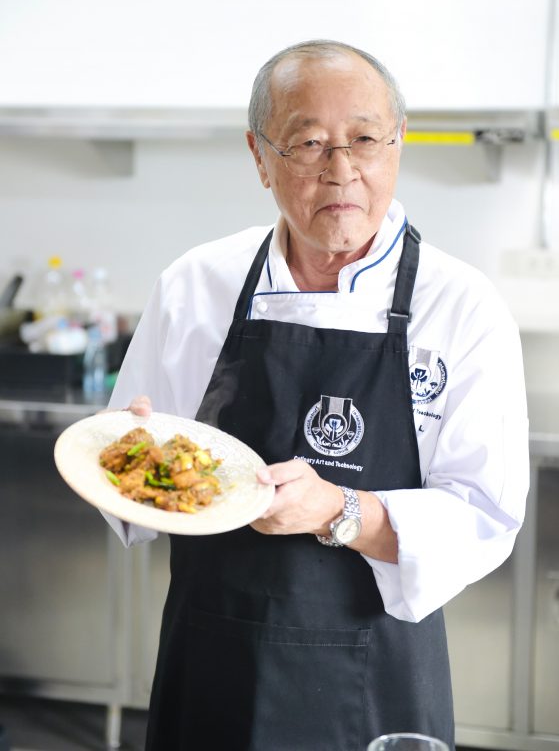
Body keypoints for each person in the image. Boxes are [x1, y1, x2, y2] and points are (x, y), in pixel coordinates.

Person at [105, 39, 529, 751]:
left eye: (364, 139)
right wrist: (131, 458)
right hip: (212, 660)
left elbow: (484, 515)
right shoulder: (195, 285)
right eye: (308, 143)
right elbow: (130, 482)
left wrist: (338, 510)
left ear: (398, 142)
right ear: (259, 155)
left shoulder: (460, 306)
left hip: (373, 680)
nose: (342, 170)